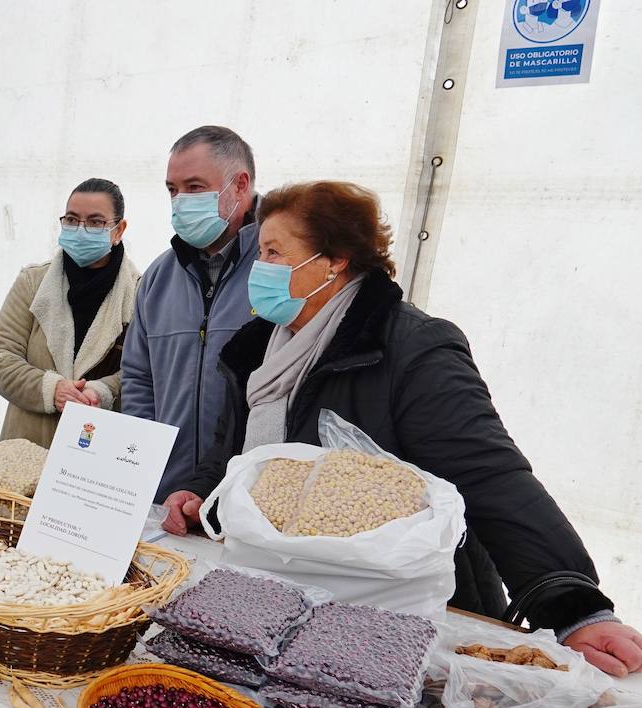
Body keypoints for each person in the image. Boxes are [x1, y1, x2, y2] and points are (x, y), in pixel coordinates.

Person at [168, 180, 642, 677]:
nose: (258, 268)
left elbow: (491, 474)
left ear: (335, 260)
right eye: (260, 251)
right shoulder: (258, 348)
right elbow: (235, 450)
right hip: (284, 592)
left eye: (274, 252)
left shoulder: (412, 347)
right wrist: (202, 490)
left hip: (394, 610)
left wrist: (571, 604)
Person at [120, 126, 260, 501]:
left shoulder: (277, 271)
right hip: (165, 496)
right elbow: (137, 377)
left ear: (240, 185)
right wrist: (143, 467)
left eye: (194, 187)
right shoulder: (157, 279)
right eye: (172, 189)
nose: (180, 200)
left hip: (245, 496)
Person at [0, 178, 140, 447]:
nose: (81, 230)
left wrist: (101, 392)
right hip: (24, 447)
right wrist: (51, 389)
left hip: (96, 451)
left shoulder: (140, 295)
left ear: (119, 230)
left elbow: (144, 372)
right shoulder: (33, 283)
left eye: (95, 222)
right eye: (71, 219)